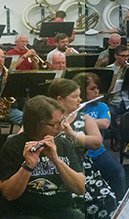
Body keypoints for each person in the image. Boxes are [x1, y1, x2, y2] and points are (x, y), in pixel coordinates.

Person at [0, 96, 85, 219]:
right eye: (55, 124)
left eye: (62, 121)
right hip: (23, 213)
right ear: (36, 125)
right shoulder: (13, 146)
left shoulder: (64, 144)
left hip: (60, 211)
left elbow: (80, 188)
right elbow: (9, 194)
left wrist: (56, 161)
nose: (60, 128)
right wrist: (28, 165)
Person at [48, 79, 116, 219]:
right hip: (52, 169)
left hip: (81, 168)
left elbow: (97, 142)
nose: (80, 100)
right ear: (59, 99)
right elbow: (20, 138)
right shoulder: (44, 119)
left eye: (79, 95)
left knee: (107, 198)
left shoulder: (84, 117)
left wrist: (72, 134)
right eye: (74, 96)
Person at [72, 72, 126, 200]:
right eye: (92, 89)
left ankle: (119, 203)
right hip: (76, 155)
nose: (96, 92)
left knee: (117, 171)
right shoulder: (73, 106)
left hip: (97, 152)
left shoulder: (101, 106)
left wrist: (81, 122)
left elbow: (105, 123)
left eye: (97, 88)